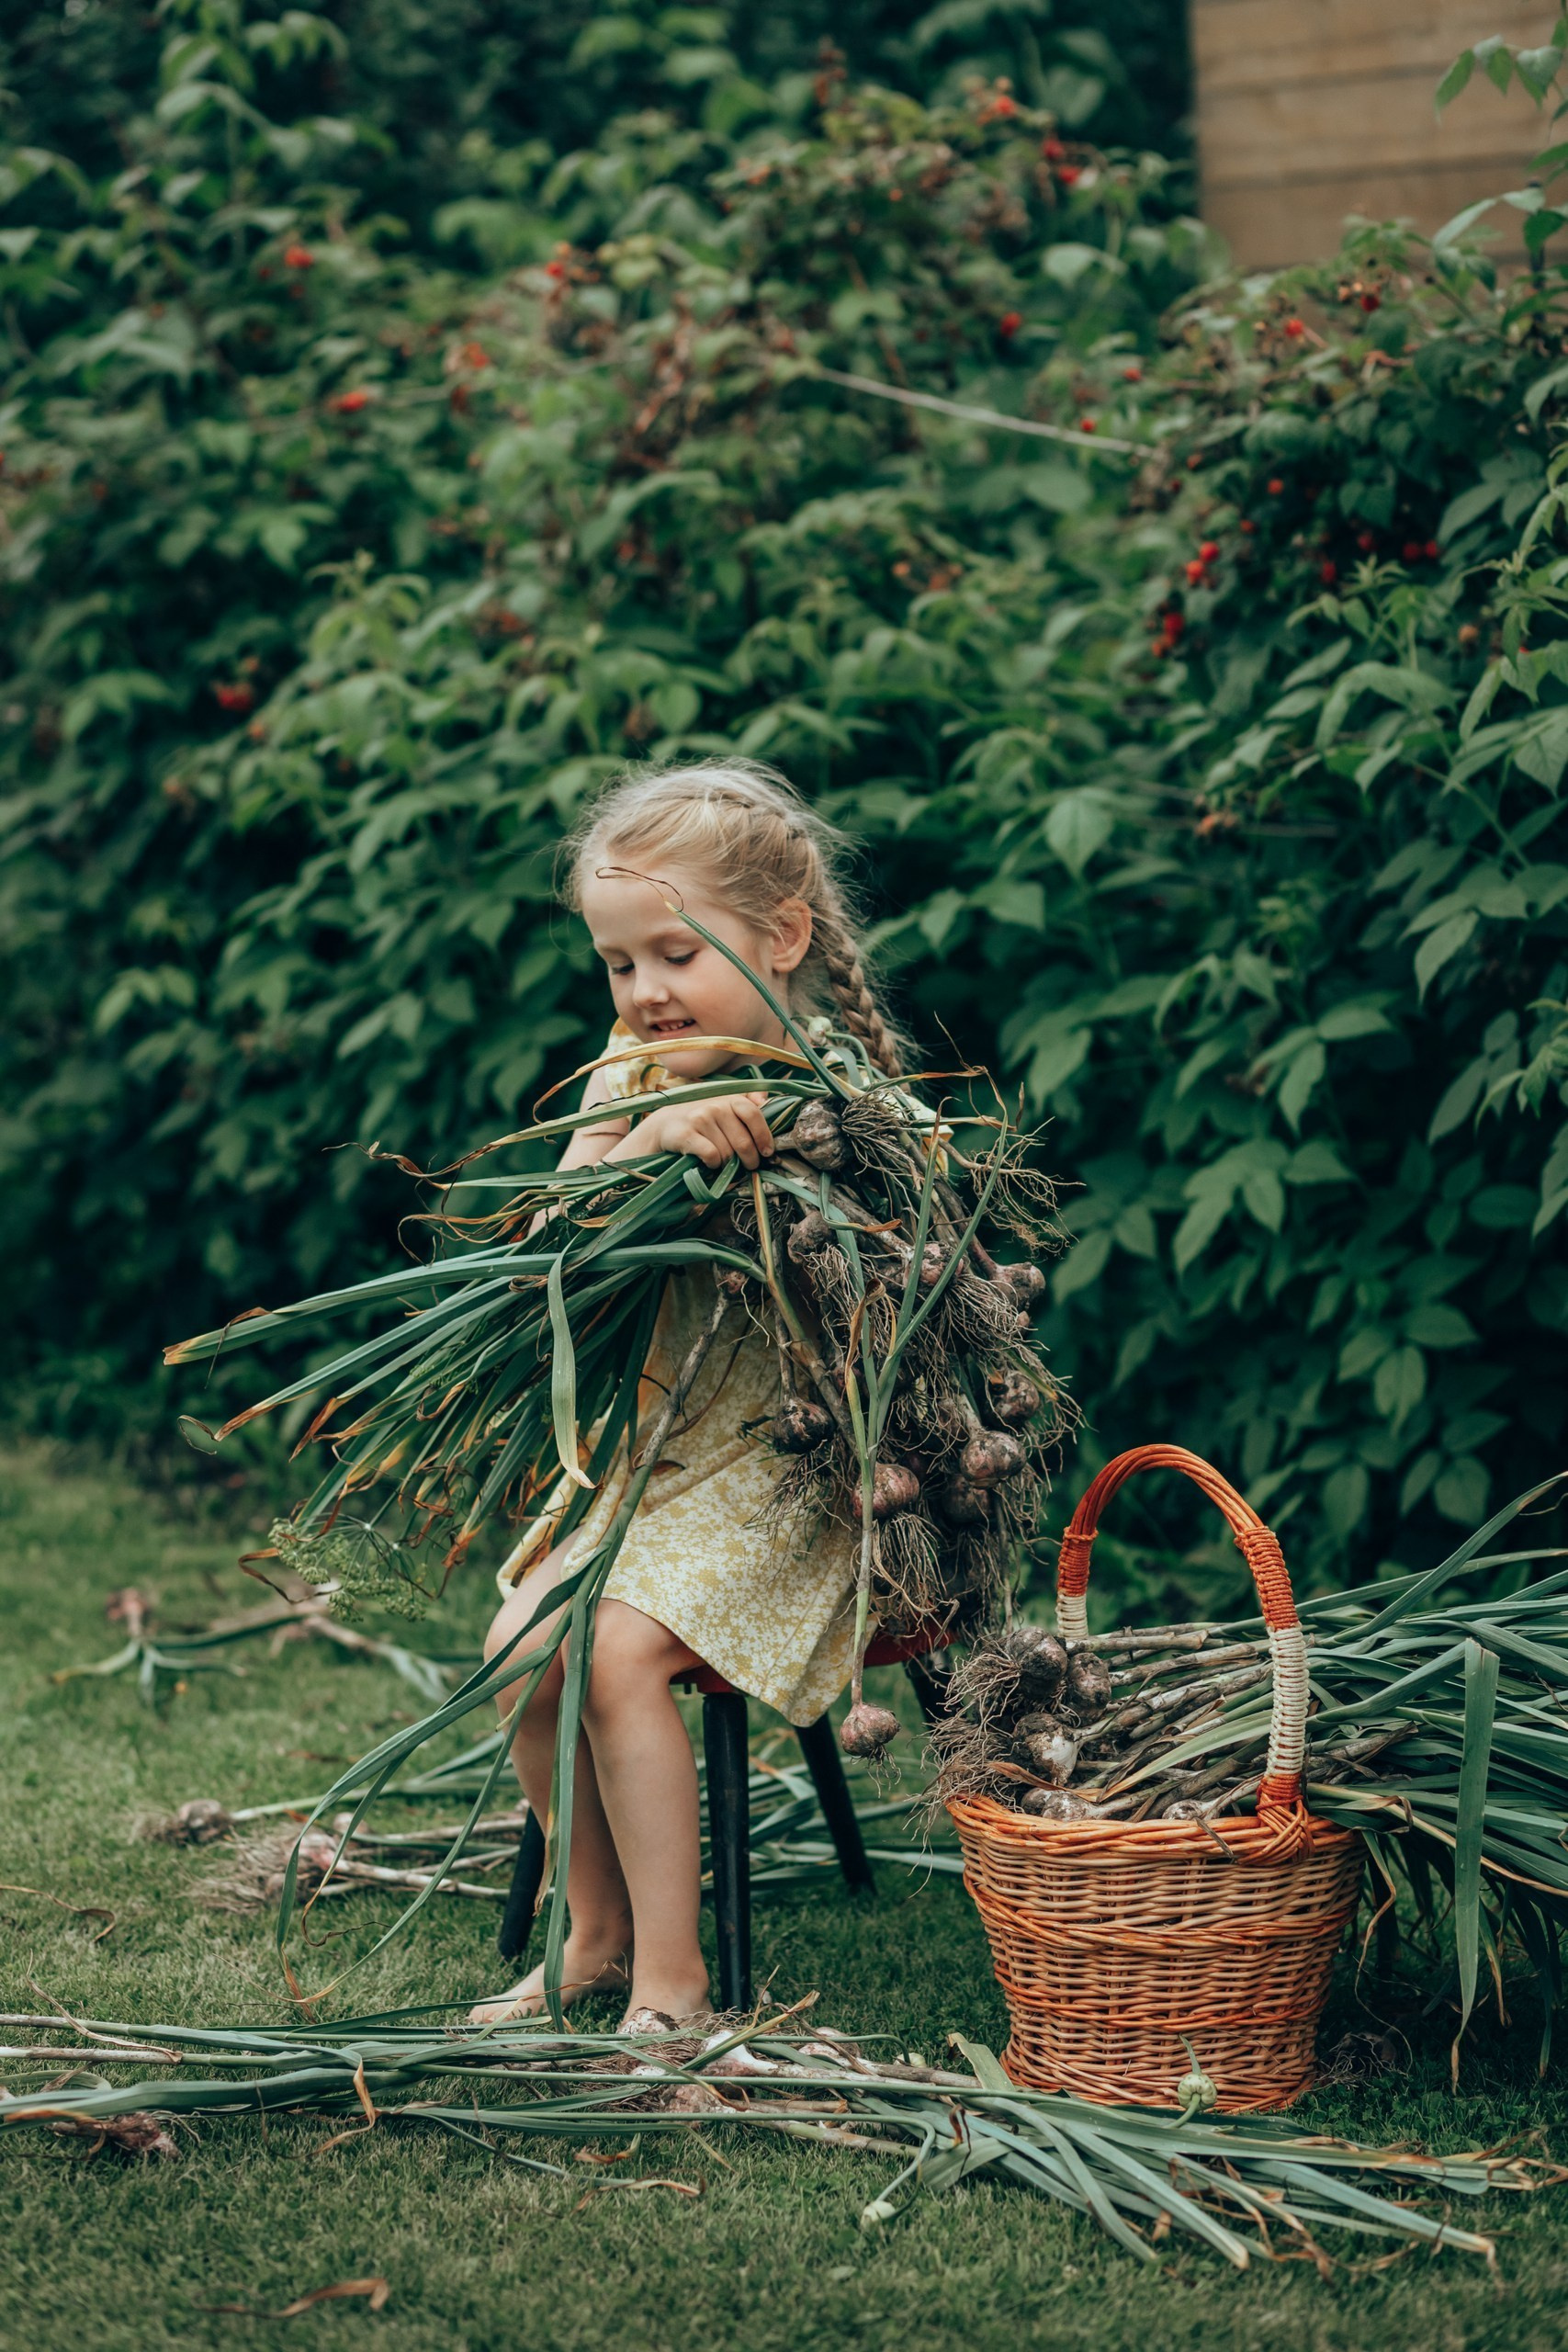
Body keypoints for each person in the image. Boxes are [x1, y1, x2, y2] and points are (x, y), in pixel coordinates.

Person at [468, 758, 906, 2027]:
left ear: (783, 936)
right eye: (620, 964)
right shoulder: (621, 1083)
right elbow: (546, 1244)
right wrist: (640, 1144)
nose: (646, 992)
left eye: (675, 954)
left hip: (793, 1473)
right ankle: (593, 1933)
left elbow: (889, 1284)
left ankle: (676, 1984)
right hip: (656, 1466)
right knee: (522, 1638)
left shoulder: (841, 1103)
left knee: (606, 1650)